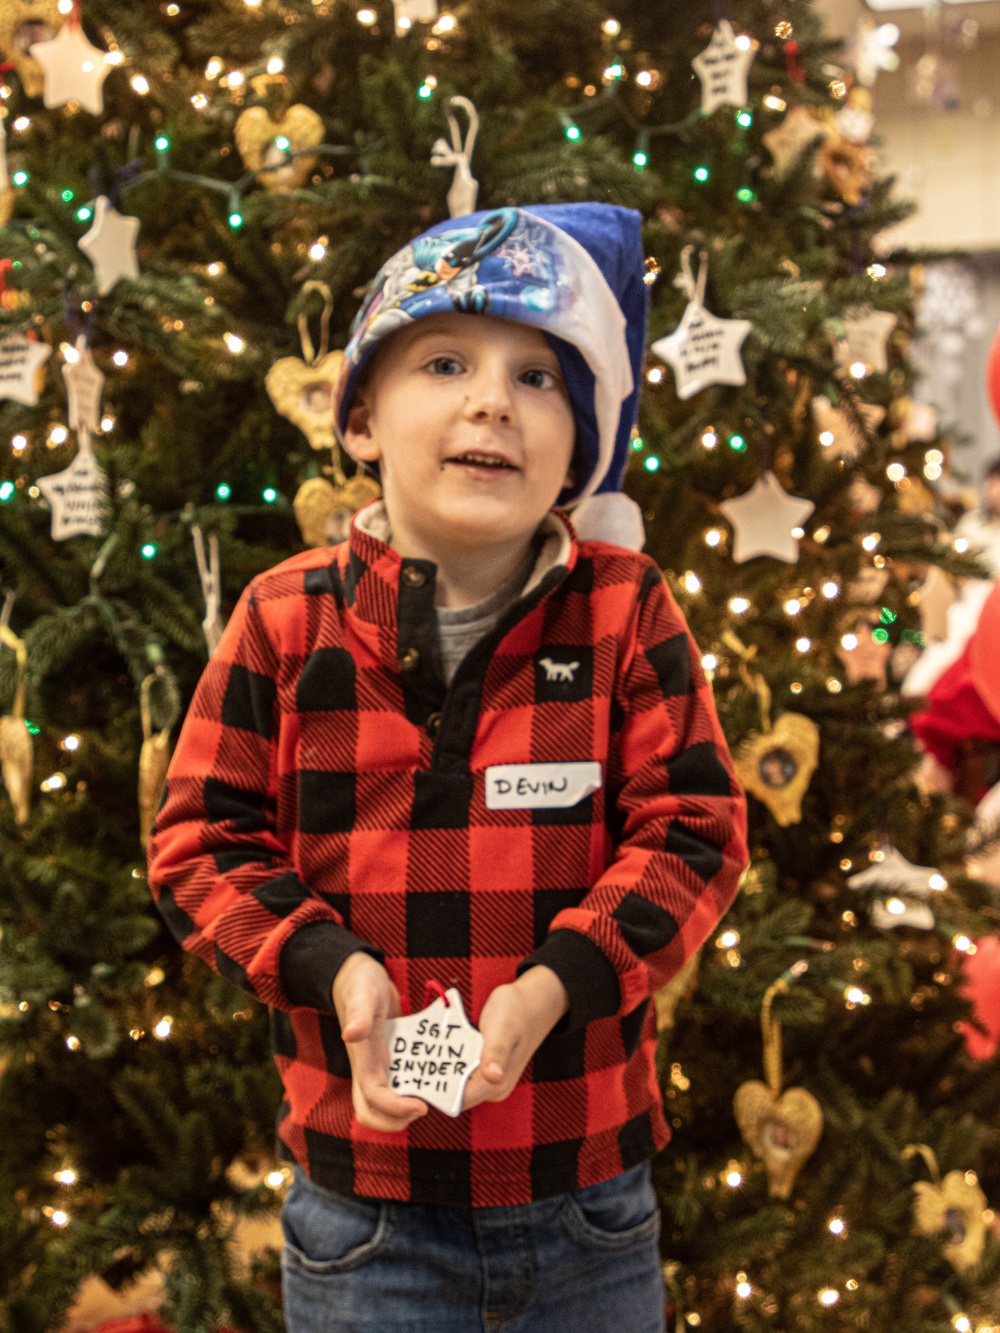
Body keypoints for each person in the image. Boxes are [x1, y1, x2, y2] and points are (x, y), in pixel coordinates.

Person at [147, 203, 748, 1333]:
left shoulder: (626, 610)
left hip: (589, 1207)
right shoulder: (281, 621)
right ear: (362, 419)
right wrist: (331, 968)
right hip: (365, 1218)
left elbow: (693, 833)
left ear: (581, 448)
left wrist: (551, 986)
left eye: (538, 379)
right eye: (445, 361)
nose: (491, 401)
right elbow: (200, 843)